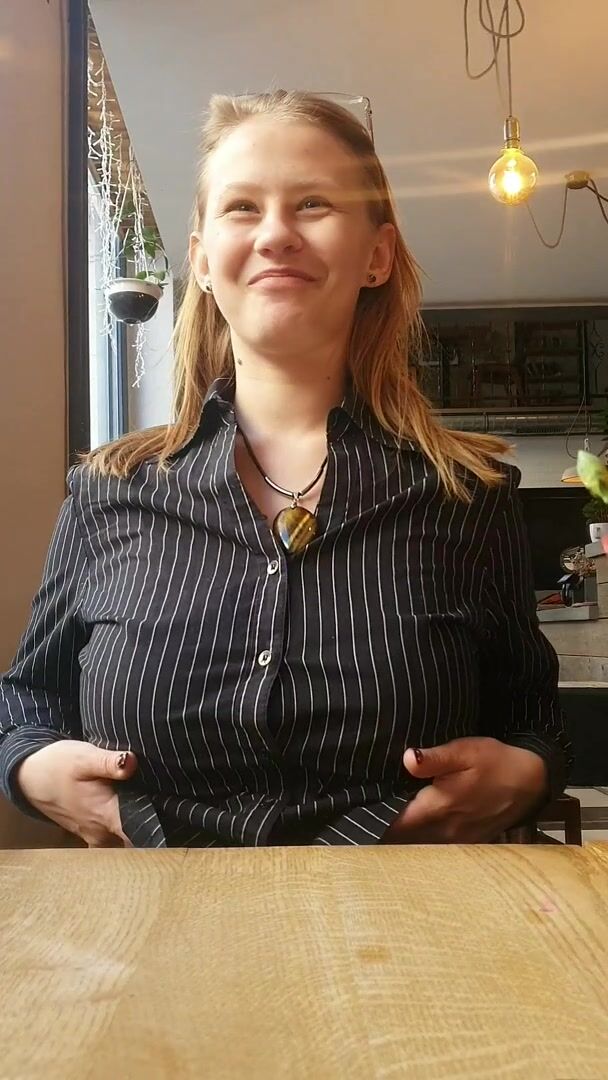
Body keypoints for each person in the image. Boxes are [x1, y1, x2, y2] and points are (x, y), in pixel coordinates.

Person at [0, 91, 570, 849]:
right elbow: (27, 701)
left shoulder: (466, 496)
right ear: (202, 260)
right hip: (151, 914)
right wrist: (29, 766)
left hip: (410, 915)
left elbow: (533, 717)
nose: (275, 234)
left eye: (312, 204)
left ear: (377, 256)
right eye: (242, 207)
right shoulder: (108, 492)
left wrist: (529, 771)